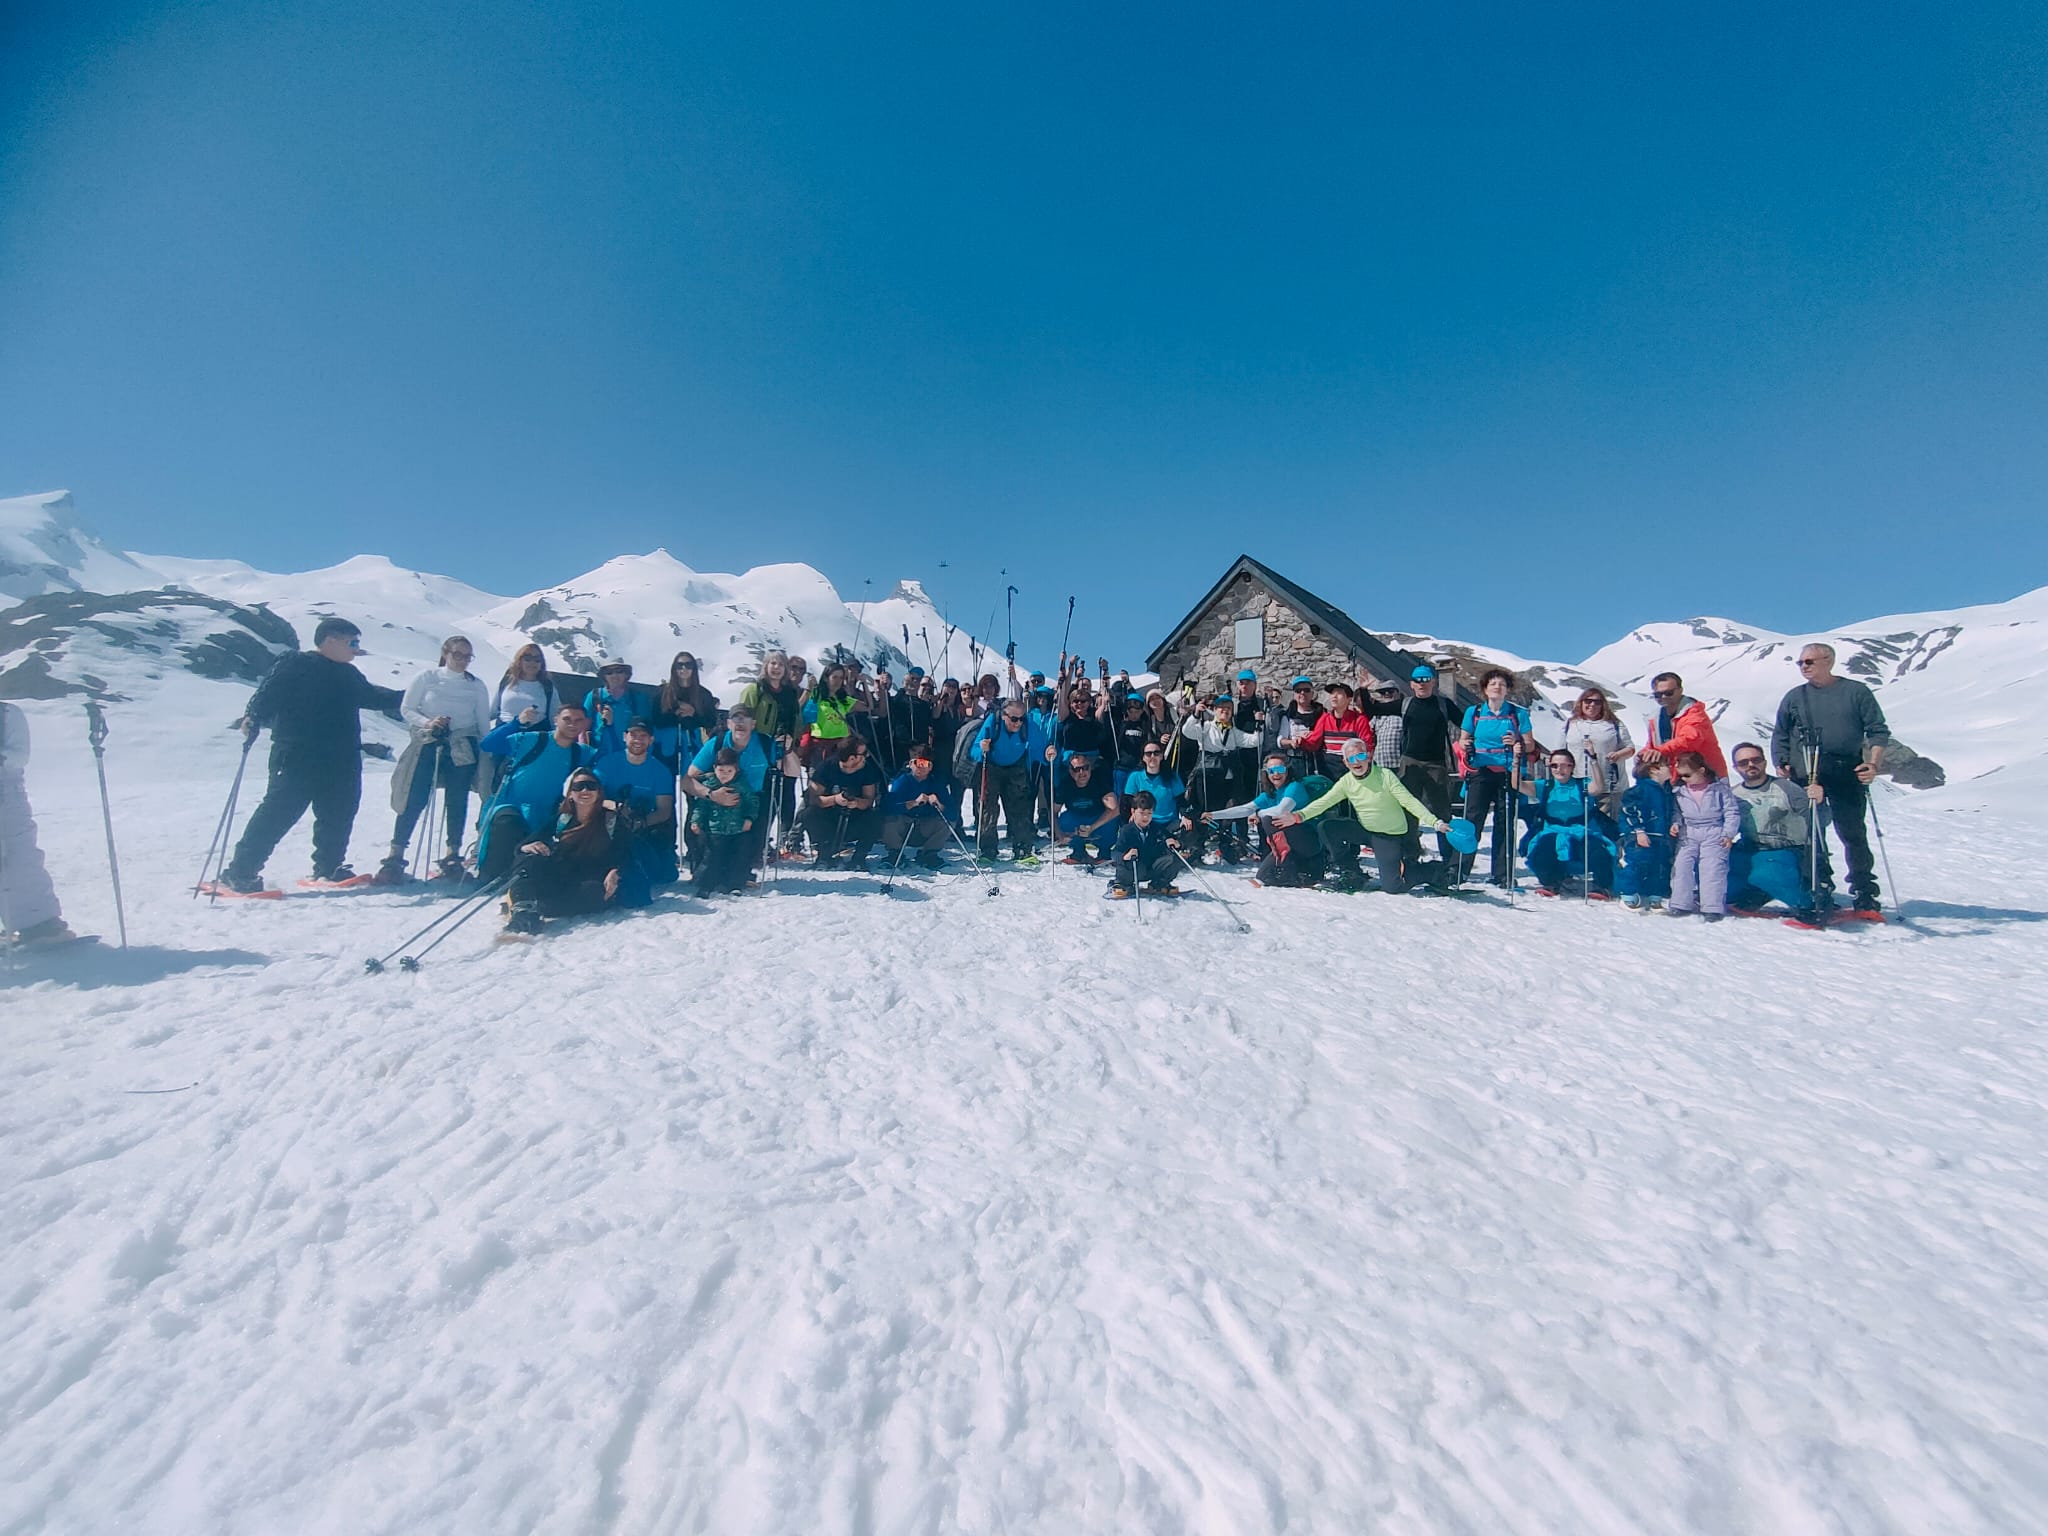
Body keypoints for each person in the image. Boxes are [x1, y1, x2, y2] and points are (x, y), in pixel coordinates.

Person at [216, 617, 404, 891]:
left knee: (338, 814)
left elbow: (374, 697)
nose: (356, 649)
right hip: (297, 754)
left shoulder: (348, 674)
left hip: (341, 758)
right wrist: (253, 717)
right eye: (352, 642)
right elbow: (268, 692)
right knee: (278, 813)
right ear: (330, 640)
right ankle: (240, 871)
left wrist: (414, 694)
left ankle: (329, 867)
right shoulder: (297, 663)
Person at [1772, 643, 1892, 916]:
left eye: (1810, 661)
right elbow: (1781, 732)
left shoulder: (1856, 692)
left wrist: (1873, 764)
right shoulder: (1794, 697)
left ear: (1829, 661)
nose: (1804, 667)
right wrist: (1781, 761)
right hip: (1807, 771)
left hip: (1845, 768)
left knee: (1852, 832)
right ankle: (1819, 886)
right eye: (1801, 662)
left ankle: (1864, 891)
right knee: (1812, 832)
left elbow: (1878, 731)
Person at [377, 635, 490, 883]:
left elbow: (482, 721)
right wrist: (428, 723)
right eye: (457, 655)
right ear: (445, 653)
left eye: (467, 656)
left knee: (456, 799)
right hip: (428, 741)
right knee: (414, 796)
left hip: (463, 745)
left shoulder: (476, 685)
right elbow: (407, 709)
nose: (462, 661)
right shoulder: (426, 678)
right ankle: (395, 856)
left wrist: (488, 749)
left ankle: (453, 855)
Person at [1270, 739, 1449, 894]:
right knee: (1327, 827)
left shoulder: (1385, 776)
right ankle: (1352, 872)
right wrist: (1298, 816)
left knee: (1393, 887)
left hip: (1388, 836)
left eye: (1360, 757)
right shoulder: (1347, 781)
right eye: (1351, 759)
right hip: (1365, 830)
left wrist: (1434, 822)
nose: (1357, 762)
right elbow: (1324, 802)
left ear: (1368, 756)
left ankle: (1430, 871)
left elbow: (1409, 801)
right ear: (1345, 762)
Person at [502, 768, 649, 935]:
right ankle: (524, 910)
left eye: (590, 786)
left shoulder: (612, 821)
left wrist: (616, 872)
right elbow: (524, 845)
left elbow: (626, 853)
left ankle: (528, 901)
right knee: (528, 858)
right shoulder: (562, 819)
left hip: (590, 881)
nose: (585, 791)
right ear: (570, 794)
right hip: (560, 876)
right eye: (579, 786)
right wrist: (526, 847)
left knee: (594, 893)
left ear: (599, 792)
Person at [475, 701, 599, 882]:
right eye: (567, 719)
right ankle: (491, 876)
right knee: (508, 824)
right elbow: (488, 744)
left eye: (578, 720)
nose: (572, 724)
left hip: (543, 815)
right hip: (509, 807)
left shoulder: (581, 752)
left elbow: (608, 758)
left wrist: (609, 726)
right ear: (556, 720)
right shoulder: (532, 739)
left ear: (585, 724)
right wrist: (517, 723)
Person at [0, 701, 75, 945]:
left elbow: (20, 755)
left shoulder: (8, 714)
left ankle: (39, 923)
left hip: (6, 794)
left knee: (19, 856)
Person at [1728, 741, 1820, 922]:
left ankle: (1808, 904)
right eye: (1743, 763)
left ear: (1764, 762)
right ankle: (1757, 892)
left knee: (1766, 874)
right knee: (1720, 876)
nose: (1750, 765)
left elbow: (1818, 821)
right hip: (1751, 849)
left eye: (1755, 760)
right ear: (1736, 767)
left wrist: (1819, 802)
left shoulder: (1787, 788)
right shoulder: (1734, 794)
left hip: (1787, 849)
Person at [1457, 668, 1530, 890]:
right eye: (1493, 684)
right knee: (1471, 822)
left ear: (1508, 689)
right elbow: (1462, 740)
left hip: (1508, 772)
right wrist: (1466, 745)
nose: (1497, 687)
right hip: (1480, 770)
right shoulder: (1474, 712)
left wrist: (1517, 742)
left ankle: (1503, 873)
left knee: (1505, 823)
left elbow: (1530, 744)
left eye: (1502, 684)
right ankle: (1459, 870)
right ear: (1485, 689)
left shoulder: (1518, 714)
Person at [1204, 752, 1325, 887]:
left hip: (1309, 843)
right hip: (1291, 846)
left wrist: (1259, 814)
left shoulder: (1295, 787)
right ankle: (1288, 868)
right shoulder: (1270, 794)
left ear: (1287, 770)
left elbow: (1282, 810)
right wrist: (1213, 815)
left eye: (1280, 769)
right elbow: (1245, 809)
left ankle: (1286, 866)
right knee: (1262, 877)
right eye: (1271, 771)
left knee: (1268, 819)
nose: (1276, 774)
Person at [684, 705, 775, 876]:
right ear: (728, 723)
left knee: (750, 834)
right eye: (736, 718)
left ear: (753, 724)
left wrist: (790, 749)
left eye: (745, 718)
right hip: (716, 799)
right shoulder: (716, 743)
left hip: (751, 800)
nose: (740, 723)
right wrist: (712, 794)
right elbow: (688, 779)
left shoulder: (765, 742)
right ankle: (705, 866)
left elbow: (788, 769)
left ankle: (739, 871)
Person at [1520, 748, 1618, 897]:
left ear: (1572, 767)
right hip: (1552, 830)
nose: (1559, 769)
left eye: (1564, 765)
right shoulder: (1545, 786)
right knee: (1541, 851)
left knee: (1596, 851)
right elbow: (1518, 785)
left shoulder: (1582, 784)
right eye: (1554, 766)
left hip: (1582, 830)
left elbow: (1598, 788)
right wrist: (1515, 763)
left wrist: (1593, 759)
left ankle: (1602, 885)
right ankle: (1552, 881)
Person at [593, 717, 680, 886]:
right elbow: (592, 796)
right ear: (625, 736)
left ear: (651, 739)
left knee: (665, 875)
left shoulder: (660, 770)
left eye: (643, 736)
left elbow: (664, 810)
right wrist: (615, 807)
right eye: (634, 735)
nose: (638, 740)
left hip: (645, 826)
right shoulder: (607, 763)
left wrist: (640, 822)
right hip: (610, 823)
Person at [1178, 696, 1263, 861]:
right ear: (1215, 710)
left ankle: (1226, 843)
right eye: (1221, 708)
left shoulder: (1234, 731)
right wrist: (1195, 714)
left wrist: (1259, 723)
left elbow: (1254, 741)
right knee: (1203, 809)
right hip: (1207, 775)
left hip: (1227, 777)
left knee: (1228, 809)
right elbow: (1187, 731)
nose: (1225, 711)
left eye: (1228, 708)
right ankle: (1197, 846)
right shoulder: (1206, 727)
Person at [474, 642, 560, 806]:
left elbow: (554, 716)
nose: (533, 663)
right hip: (504, 737)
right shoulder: (508, 682)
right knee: (494, 785)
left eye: (537, 659)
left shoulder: (547, 687)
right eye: (528, 658)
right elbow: (494, 710)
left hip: (533, 741)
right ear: (519, 660)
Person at [1395, 665, 1463, 868]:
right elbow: (1374, 709)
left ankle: (1449, 860)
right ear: (1411, 684)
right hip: (1409, 763)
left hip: (1436, 764)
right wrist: (1363, 689)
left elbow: (1465, 724)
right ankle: (1410, 855)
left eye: (1426, 679)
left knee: (1442, 811)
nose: (1422, 683)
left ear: (1434, 682)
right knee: (1408, 810)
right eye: (1418, 680)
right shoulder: (1405, 704)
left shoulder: (1444, 704)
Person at [970, 699, 1052, 864]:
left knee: (1020, 808)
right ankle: (988, 849)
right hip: (991, 766)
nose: (1018, 723)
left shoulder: (1027, 725)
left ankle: (1022, 849)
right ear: (1004, 715)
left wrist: (1048, 753)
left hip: (1016, 766)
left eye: (1021, 718)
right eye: (1014, 719)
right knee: (988, 809)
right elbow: (974, 750)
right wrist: (982, 748)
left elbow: (1040, 748)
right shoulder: (993, 721)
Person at [738, 651, 804, 853]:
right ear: (765, 666)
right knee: (757, 797)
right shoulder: (754, 690)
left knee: (776, 798)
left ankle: (764, 843)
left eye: (780, 664)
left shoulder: (790, 694)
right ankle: (752, 845)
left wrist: (792, 741)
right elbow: (742, 718)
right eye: (772, 663)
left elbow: (796, 719)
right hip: (756, 749)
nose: (776, 668)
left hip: (782, 751)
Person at [1667, 750, 1743, 920]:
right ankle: (1680, 903)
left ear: (1701, 771)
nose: (1684, 779)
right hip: (1689, 832)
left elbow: (1731, 811)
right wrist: (1676, 823)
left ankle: (1712, 906)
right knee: (1682, 866)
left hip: (1714, 831)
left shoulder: (1719, 789)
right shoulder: (1680, 791)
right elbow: (1676, 812)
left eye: (1687, 775)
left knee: (1712, 868)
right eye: (1681, 776)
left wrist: (1728, 833)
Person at [804, 736, 884, 868]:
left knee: (876, 816)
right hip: (829, 816)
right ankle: (823, 855)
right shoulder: (827, 767)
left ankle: (859, 858)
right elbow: (813, 799)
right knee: (809, 814)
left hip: (855, 817)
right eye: (863, 754)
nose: (866, 757)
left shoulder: (868, 769)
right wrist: (835, 799)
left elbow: (869, 800)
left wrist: (857, 803)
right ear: (852, 758)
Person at [689, 747, 759, 896]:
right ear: (715, 768)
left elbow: (752, 803)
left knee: (739, 856)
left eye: (729, 771)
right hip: (715, 829)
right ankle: (706, 885)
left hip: (737, 829)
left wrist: (749, 818)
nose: (725, 775)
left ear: (736, 770)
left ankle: (735, 884)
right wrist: (696, 821)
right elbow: (700, 806)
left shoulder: (742, 785)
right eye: (721, 771)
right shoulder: (709, 785)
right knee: (712, 857)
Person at [1559, 688, 1635, 819]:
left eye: (1597, 702)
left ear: (1603, 705)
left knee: (1607, 828)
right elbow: (1559, 752)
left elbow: (1630, 748)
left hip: (1609, 786)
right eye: (1588, 701)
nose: (1592, 705)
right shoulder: (1569, 725)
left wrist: (1618, 755)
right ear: (1581, 703)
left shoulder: (1614, 725)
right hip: (1576, 785)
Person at [1615, 757, 1676, 911]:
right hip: (1640, 835)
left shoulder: (1666, 791)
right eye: (1666, 765)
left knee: (1658, 866)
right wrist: (1638, 831)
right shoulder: (1640, 789)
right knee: (1634, 863)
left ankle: (1654, 896)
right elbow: (1629, 809)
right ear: (1653, 770)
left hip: (1660, 835)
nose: (1670, 767)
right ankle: (1627, 895)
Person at [1641, 672, 1727, 779]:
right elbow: (1653, 745)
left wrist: (1660, 751)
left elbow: (1690, 739)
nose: (1663, 697)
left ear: (1680, 690)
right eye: (1658, 695)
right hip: (1675, 778)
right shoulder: (1655, 718)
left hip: (1705, 777)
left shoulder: (1694, 713)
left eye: (1669, 693)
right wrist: (1643, 754)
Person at [881, 746, 954, 870]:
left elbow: (952, 812)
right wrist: (913, 803)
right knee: (889, 819)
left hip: (925, 826)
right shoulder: (901, 781)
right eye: (918, 763)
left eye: (925, 764)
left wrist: (939, 805)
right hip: (904, 825)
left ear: (930, 767)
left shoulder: (936, 783)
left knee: (948, 822)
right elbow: (888, 807)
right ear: (911, 764)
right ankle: (895, 853)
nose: (921, 767)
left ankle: (929, 854)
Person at [1107, 790, 1183, 899]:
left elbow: (1171, 839)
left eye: (1149, 813)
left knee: (1174, 856)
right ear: (1133, 811)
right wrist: (1125, 856)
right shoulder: (1127, 830)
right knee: (1129, 861)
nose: (1146, 818)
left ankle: (1159, 883)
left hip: (1151, 867)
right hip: (1135, 868)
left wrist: (1173, 842)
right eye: (1142, 813)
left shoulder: (1156, 828)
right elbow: (1115, 852)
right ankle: (1122, 884)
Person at [1295, 682, 1372, 781]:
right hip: (1328, 770)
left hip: (1351, 769)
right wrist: (1301, 741)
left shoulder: (1359, 720)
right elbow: (1314, 742)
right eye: (1332, 693)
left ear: (1349, 699)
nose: (1334, 696)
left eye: (1339, 693)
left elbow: (1367, 745)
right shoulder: (1325, 718)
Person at [1053, 751, 1120, 865]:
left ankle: (1104, 853)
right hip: (1077, 821)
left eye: (1085, 768)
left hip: (1097, 821)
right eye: (1076, 769)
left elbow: (1115, 809)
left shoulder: (1100, 780)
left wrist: (1092, 828)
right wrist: (1059, 833)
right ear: (1070, 771)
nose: (1081, 772)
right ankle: (1078, 852)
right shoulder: (1065, 783)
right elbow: (1053, 811)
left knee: (1112, 820)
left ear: (1090, 768)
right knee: (1065, 819)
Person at [582, 661, 640, 758]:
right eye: (609, 672)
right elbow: (583, 727)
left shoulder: (637, 698)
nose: (614, 675)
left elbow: (646, 729)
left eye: (619, 671)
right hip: (598, 753)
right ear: (604, 676)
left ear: (626, 674)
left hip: (628, 754)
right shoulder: (594, 696)